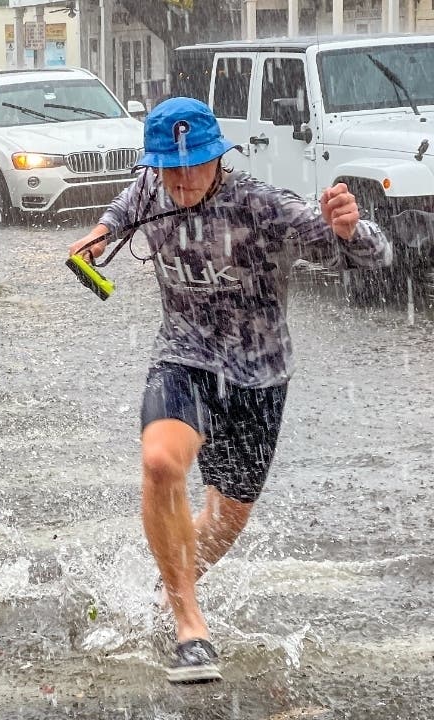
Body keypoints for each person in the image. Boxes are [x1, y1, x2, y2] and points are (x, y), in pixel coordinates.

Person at [68, 97, 391, 684]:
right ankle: (189, 626)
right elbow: (127, 201)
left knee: (222, 523)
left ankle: (163, 586)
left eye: (195, 165)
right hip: (184, 356)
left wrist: (353, 226)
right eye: (170, 166)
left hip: (258, 375)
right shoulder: (152, 186)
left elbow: (371, 254)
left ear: (220, 157)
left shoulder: (262, 206)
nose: (183, 179)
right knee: (162, 462)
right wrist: (101, 233)